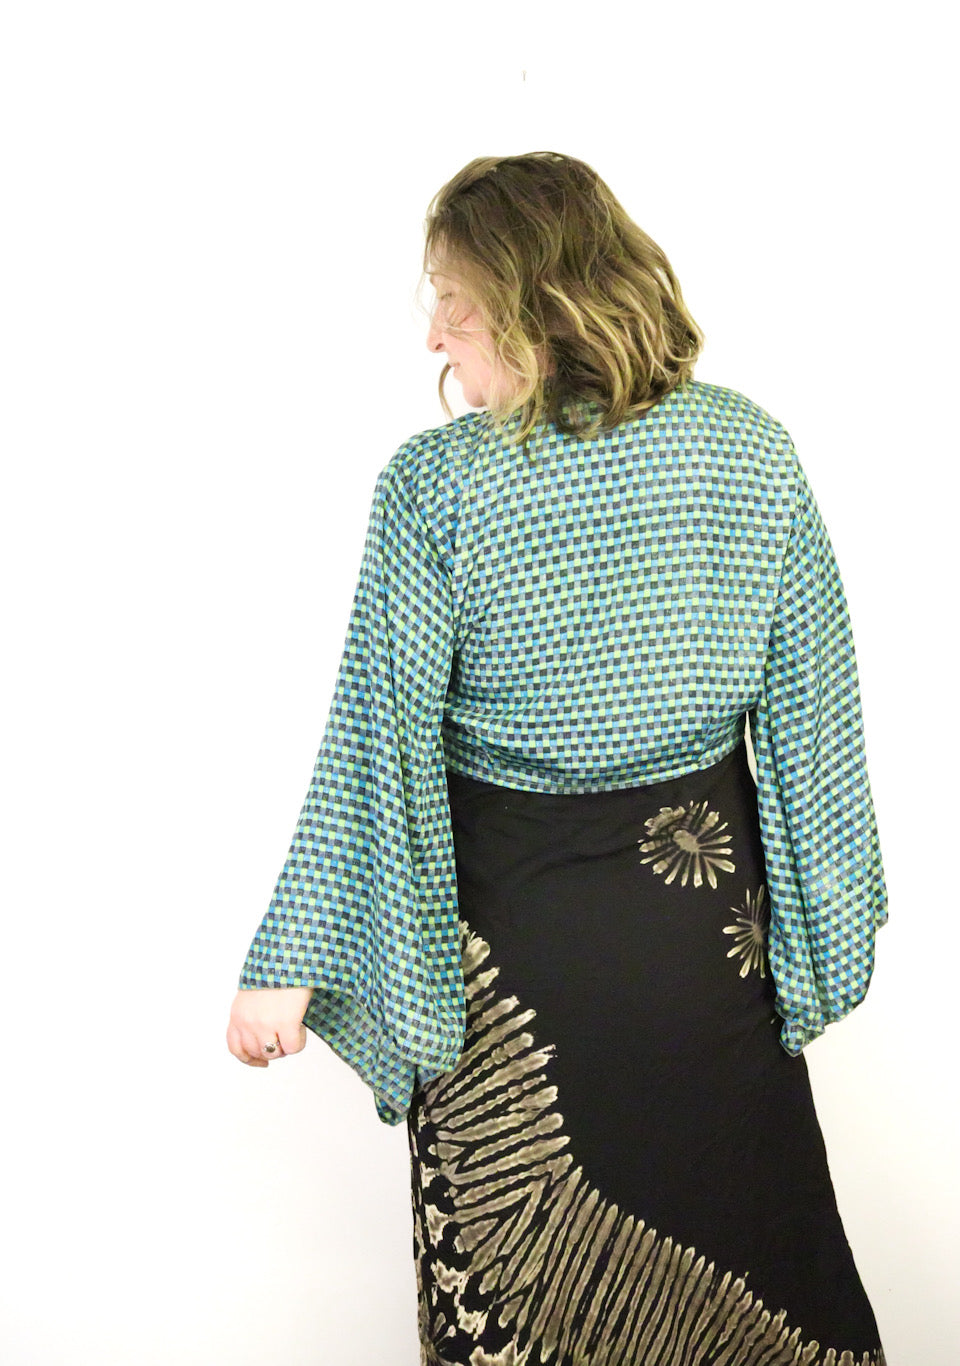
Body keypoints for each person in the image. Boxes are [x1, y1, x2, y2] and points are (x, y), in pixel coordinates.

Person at [227, 151, 888, 1366]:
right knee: (740, 1255)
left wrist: (290, 962)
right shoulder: (750, 450)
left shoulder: (436, 485)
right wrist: (822, 944)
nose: (433, 331)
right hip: (703, 942)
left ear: (530, 298)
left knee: (533, 1289)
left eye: (452, 297)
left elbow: (376, 736)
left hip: (513, 963)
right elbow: (816, 723)